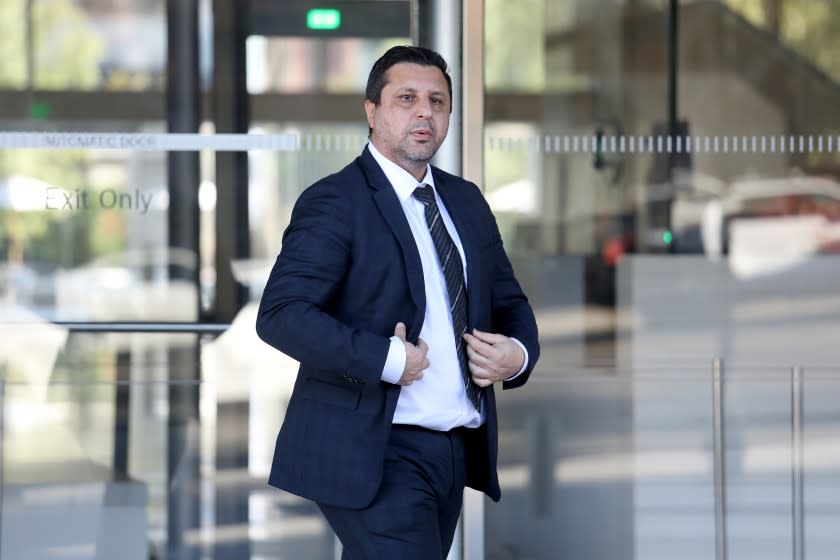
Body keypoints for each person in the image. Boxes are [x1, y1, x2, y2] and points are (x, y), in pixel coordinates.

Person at [256, 45, 540, 559]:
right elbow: (281, 314)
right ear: (372, 110)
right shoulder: (336, 201)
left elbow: (509, 301)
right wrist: (387, 359)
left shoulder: (467, 201)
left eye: (437, 101)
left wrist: (517, 354)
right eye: (406, 98)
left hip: (453, 446)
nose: (424, 112)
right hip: (375, 447)